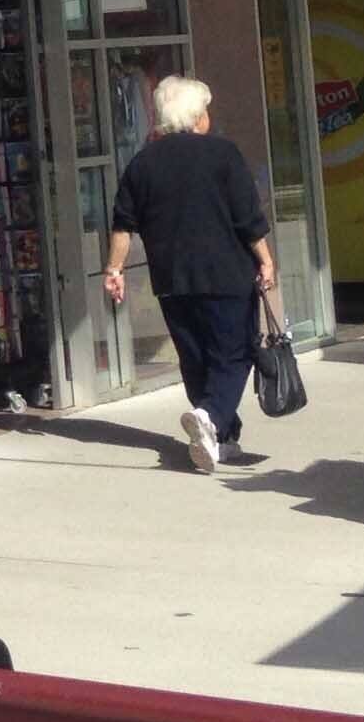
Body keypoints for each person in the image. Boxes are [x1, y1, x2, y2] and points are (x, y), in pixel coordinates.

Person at [101, 75, 277, 474]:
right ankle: (211, 417)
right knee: (234, 353)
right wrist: (265, 259)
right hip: (225, 274)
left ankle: (222, 440)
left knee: (195, 357)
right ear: (196, 116)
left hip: (173, 279)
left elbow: (123, 225)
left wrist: (114, 269)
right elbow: (248, 217)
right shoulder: (223, 155)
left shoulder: (142, 164)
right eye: (206, 110)